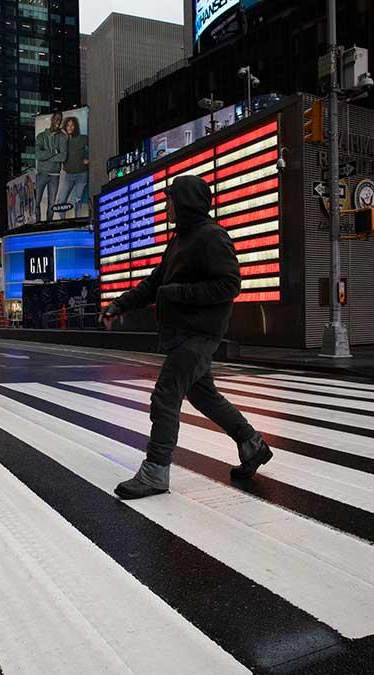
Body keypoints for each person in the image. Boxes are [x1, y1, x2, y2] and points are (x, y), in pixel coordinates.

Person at [99, 175, 272, 500]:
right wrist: (118, 305)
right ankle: (252, 445)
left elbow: (229, 285)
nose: (166, 206)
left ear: (185, 202)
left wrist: (177, 293)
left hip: (200, 333)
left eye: (170, 200)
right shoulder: (180, 239)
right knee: (203, 395)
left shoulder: (212, 238)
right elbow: (153, 284)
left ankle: (155, 473)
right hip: (184, 333)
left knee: (165, 396)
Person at [34, 112, 67, 222]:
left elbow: (63, 156)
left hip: (55, 175)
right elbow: (38, 155)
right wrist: (54, 152)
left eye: (60, 119)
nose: (58, 121)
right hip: (41, 174)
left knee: (52, 204)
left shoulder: (61, 137)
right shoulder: (41, 136)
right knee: (36, 201)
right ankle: (38, 224)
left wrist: (46, 158)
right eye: (57, 119)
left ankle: (49, 224)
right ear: (52, 119)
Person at [55, 116, 89, 218]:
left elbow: (96, 145)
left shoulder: (82, 138)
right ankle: (63, 222)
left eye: (72, 125)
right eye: (67, 125)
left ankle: (77, 220)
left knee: (77, 199)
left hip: (81, 174)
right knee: (61, 201)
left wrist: (89, 159)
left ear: (75, 127)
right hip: (68, 175)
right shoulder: (62, 142)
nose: (69, 127)